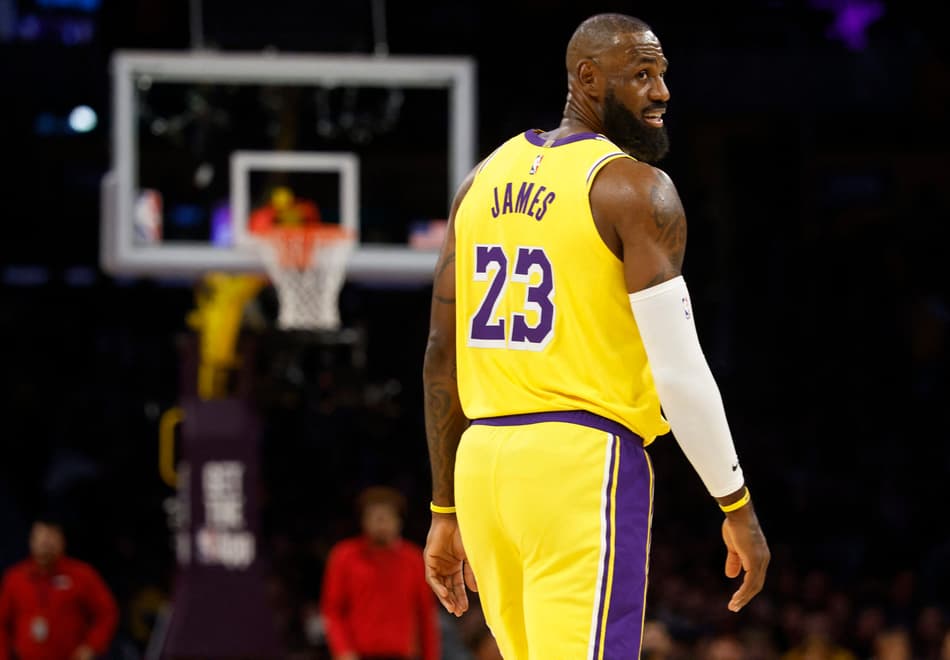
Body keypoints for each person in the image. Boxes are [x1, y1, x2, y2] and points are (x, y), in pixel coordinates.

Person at [422, 12, 770, 659]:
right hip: (578, 465)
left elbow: (441, 356)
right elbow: (680, 371)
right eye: (642, 75)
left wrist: (445, 508)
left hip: (483, 466)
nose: (661, 91)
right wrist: (736, 504)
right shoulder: (635, 191)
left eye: (663, 74)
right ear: (587, 78)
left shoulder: (478, 183)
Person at [320, 486, 440, 660]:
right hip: (358, 655)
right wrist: (343, 651)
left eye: (386, 517)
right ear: (364, 521)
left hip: (402, 655)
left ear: (398, 521)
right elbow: (333, 610)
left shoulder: (414, 559)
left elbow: (426, 616)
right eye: (374, 517)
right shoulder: (344, 557)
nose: (380, 523)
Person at [0, 516, 118, 660]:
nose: (45, 543)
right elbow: (2, 622)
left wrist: (92, 646)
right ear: (31, 541)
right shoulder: (15, 578)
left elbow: (107, 612)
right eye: (41, 537)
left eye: (51, 536)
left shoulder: (82, 575)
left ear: (62, 541)